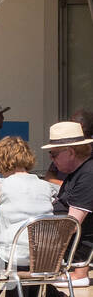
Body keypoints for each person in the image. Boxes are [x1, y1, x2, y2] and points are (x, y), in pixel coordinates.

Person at [0, 136, 58, 274]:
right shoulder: (46, 186)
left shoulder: (1, 185)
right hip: (46, 257)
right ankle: (26, 295)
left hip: (12, 257)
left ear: (1, 161)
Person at [43, 121, 93, 284]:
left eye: (53, 154)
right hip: (59, 253)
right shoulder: (77, 171)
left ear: (71, 152)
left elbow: (71, 226)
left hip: (70, 257)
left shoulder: (88, 174)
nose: (51, 159)